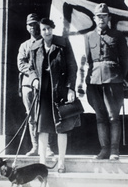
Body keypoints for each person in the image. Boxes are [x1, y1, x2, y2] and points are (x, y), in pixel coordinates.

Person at [28, 18, 78, 173]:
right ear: (40, 31)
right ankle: (42, 164)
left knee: (61, 127)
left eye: (49, 28)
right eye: (43, 29)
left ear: (53, 29)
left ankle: (61, 162)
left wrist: (70, 89)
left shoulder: (62, 44)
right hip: (43, 92)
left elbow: (72, 67)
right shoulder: (35, 47)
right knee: (43, 128)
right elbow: (30, 68)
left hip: (59, 90)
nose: (46, 32)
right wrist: (34, 79)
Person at [85, 3, 128, 160]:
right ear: (94, 18)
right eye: (98, 16)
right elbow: (89, 61)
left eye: (104, 16)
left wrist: (120, 77)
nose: (101, 19)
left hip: (113, 80)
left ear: (109, 18)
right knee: (100, 116)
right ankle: (104, 149)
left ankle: (114, 150)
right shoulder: (89, 37)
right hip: (94, 81)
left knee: (113, 117)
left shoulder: (117, 36)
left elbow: (125, 60)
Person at [17, 13, 55, 157]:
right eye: (30, 25)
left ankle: (48, 147)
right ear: (27, 27)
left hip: (44, 85)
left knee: (45, 115)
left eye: (35, 24)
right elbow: (21, 64)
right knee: (31, 117)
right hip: (28, 84)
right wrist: (34, 73)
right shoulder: (24, 46)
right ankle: (35, 146)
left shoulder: (47, 43)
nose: (33, 27)